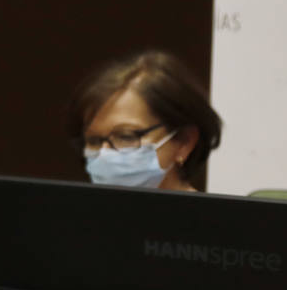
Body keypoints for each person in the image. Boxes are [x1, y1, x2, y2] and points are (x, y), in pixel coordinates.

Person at [67, 49, 223, 191]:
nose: (105, 154)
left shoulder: (218, 221)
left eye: (125, 136)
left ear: (184, 141)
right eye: (94, 141)